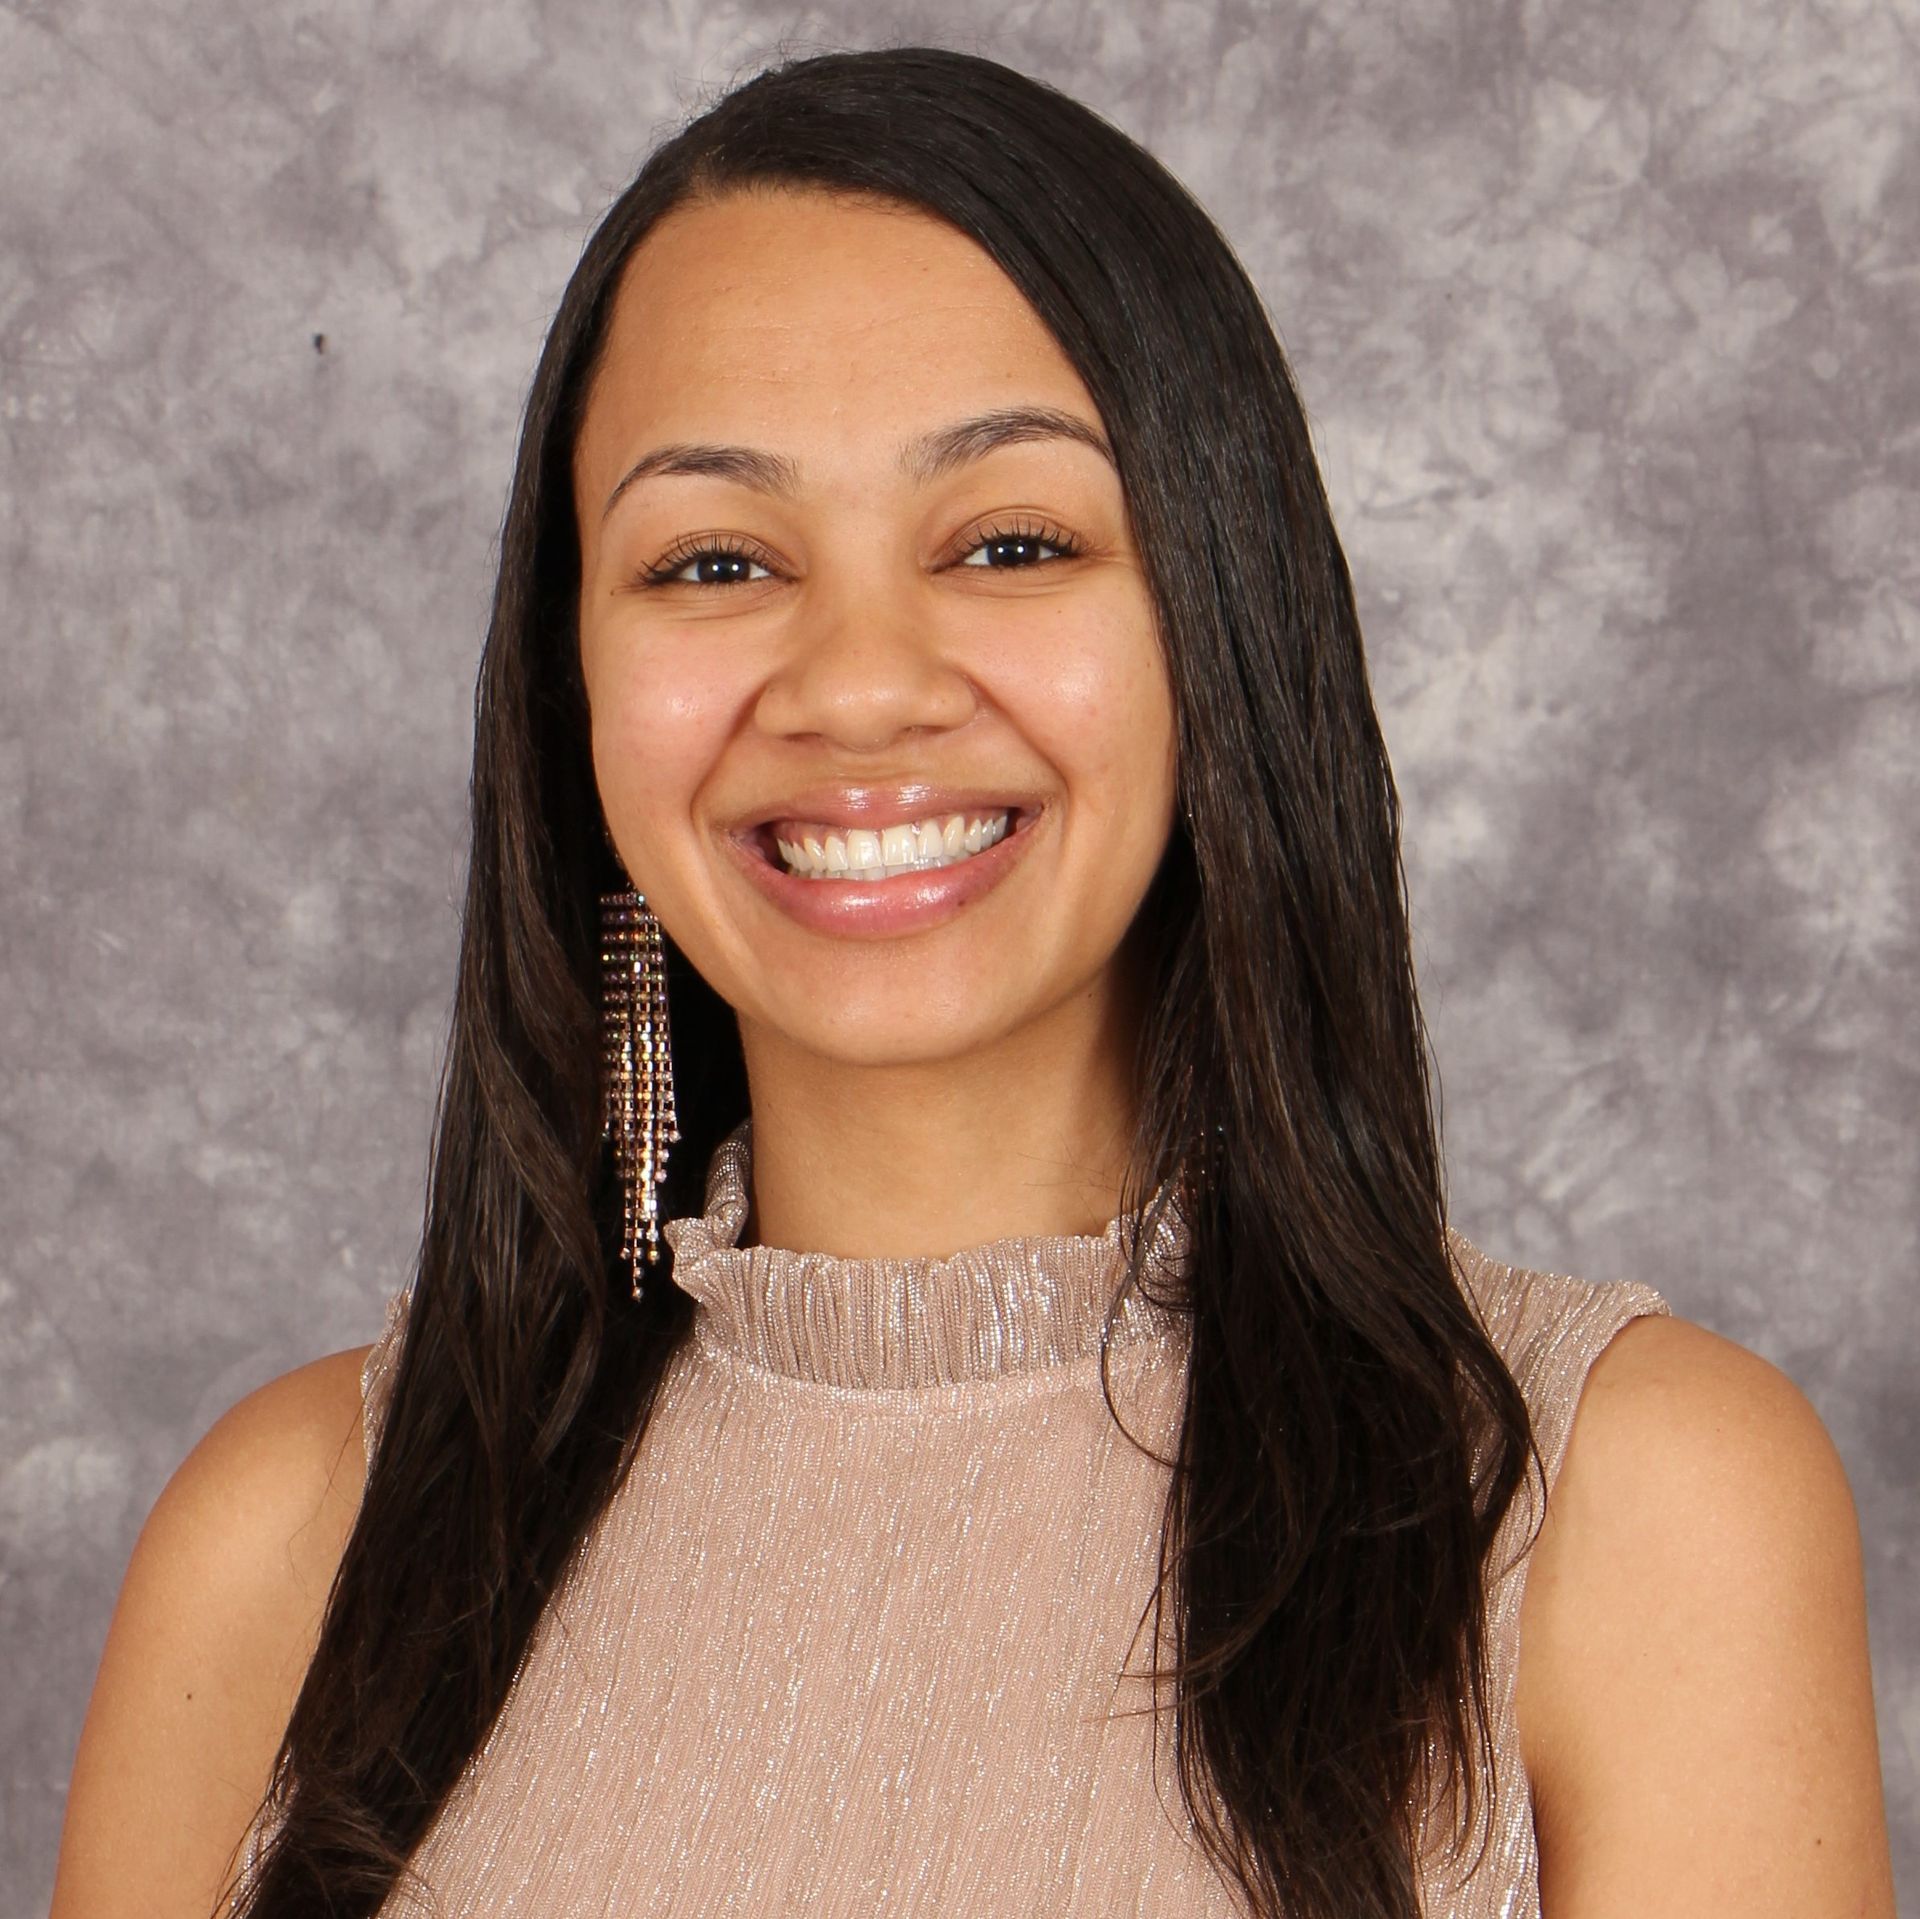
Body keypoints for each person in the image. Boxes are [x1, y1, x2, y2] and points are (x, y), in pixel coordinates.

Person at [50, 44, 1895, 1919]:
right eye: (715, 561)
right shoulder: (288, 1545)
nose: (858, 687)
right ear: (572, 688)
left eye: (1013, 542)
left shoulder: (1622, 1515)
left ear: (1220, 629)